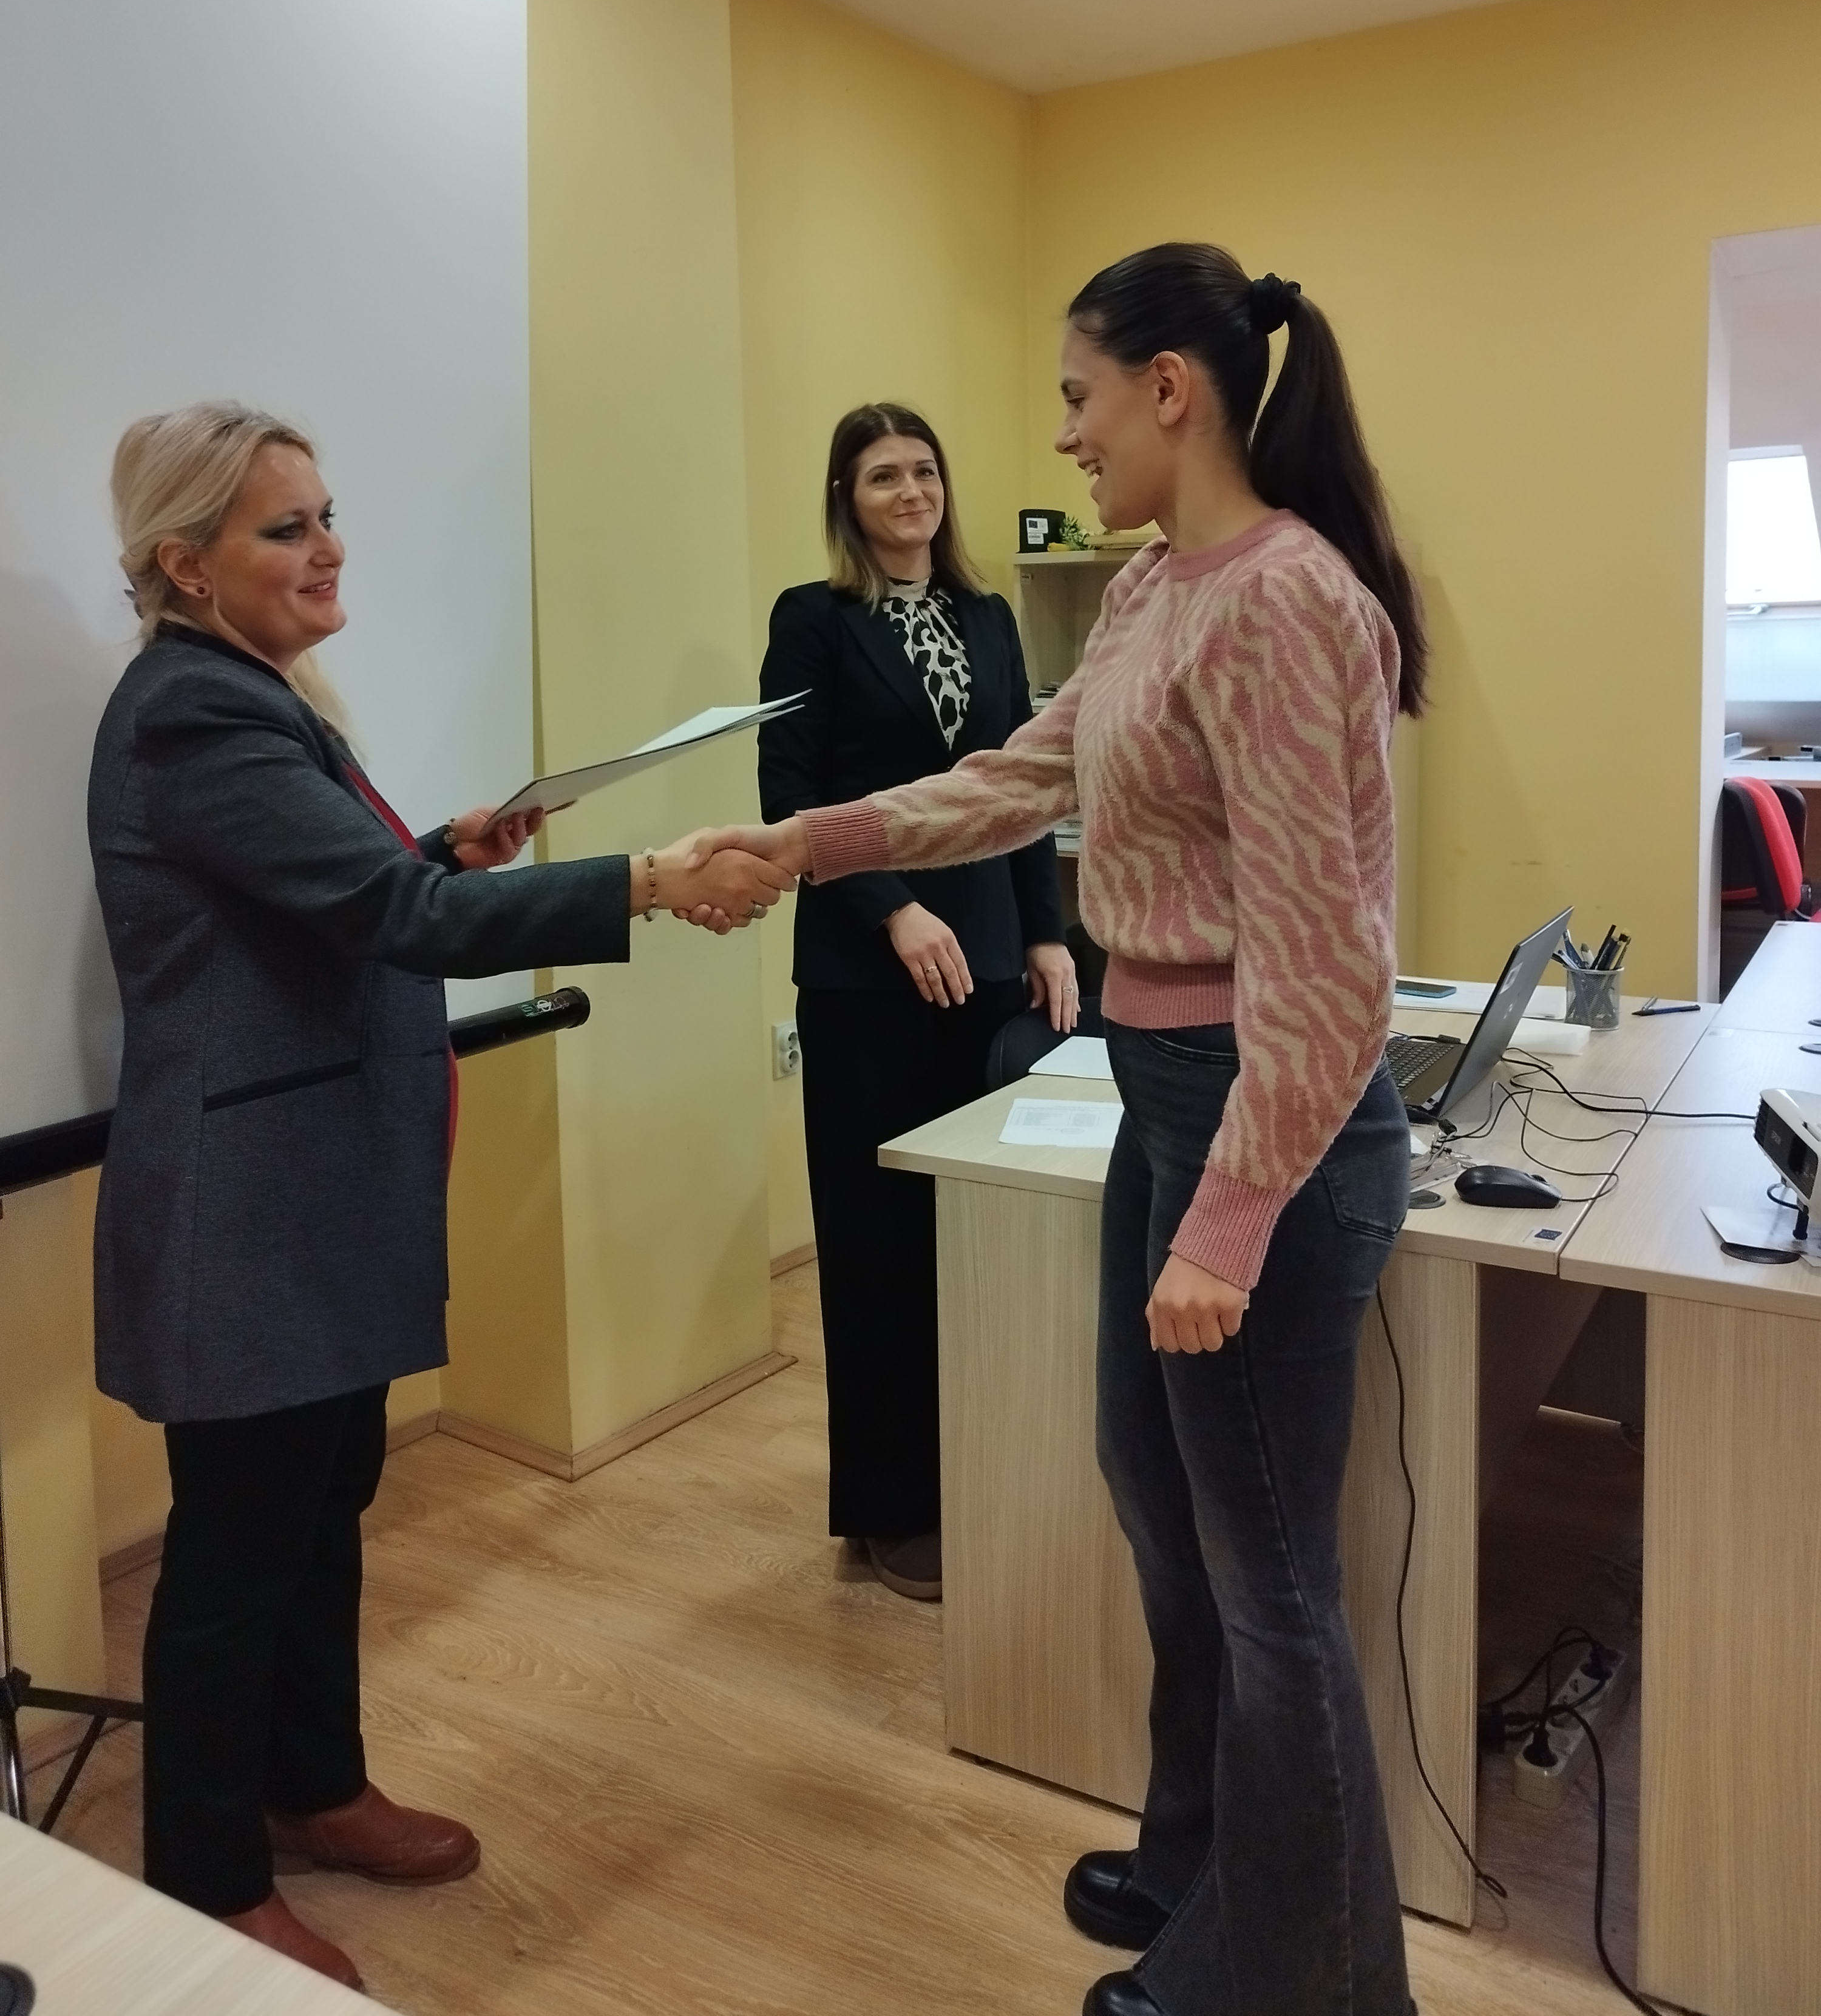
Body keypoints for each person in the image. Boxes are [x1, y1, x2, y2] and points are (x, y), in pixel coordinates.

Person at [694, 247, 1426, 2016]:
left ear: (1172, 388)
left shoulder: (1283, 599)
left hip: (1265, 1108)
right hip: (1159, 1086)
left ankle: (1307, 1977)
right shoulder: (1157, 587)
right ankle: (1198, 1860)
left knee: (1272, 1584)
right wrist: (805, 845)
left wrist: (1233, 1218)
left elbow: (1330, 962)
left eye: (1079, 399)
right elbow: (1020, 777)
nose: (1064, 436)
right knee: (1158, 1498)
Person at [89, 402, 787, 1992]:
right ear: (185, 563)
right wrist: (648, 880)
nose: (329, 547)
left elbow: (346, 896)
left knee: (325, 1506)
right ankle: (205, 1878)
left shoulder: (256, 698)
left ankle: (313, 1784)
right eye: (286, 527)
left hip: (315, 1198)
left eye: (328, 514)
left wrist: (454, 849)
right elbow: (383, 913)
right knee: (236, 1556)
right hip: (252, 1216)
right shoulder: (194, 715)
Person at [758, 404, 1076, 1603]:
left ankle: (975, 1471)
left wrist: (1044, 932)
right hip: (865, 975)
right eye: (884, 475)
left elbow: (1022, 788)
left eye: (926, 470)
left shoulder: (987, 616)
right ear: (847, 497)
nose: (911, 492)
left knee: (976, 1233)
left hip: (985, 962)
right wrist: (892, 908)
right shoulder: (814, 620)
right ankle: (889, 1510)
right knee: (876, 1241)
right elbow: (789, 800)